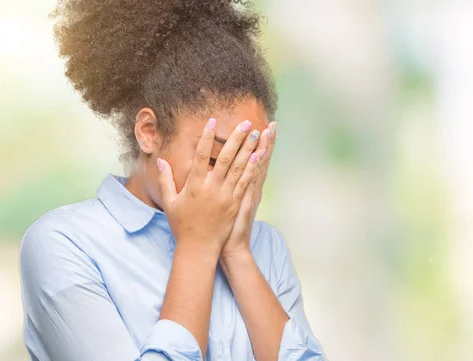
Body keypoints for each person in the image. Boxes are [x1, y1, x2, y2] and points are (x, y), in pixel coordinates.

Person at [18, 0, 325, 360]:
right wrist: (197, 246)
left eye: (249, 161)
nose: (234, 180)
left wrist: (237, 252)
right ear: (149, 132)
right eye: (217, 157)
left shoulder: (265, 247)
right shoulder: (65, 245)